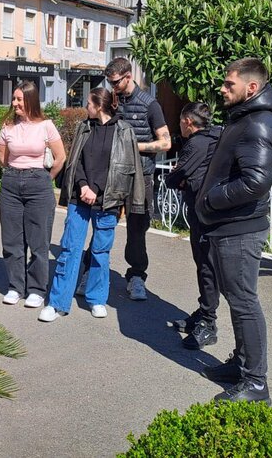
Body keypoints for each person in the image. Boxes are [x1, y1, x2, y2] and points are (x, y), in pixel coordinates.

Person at [196, 58, 272, 405]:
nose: (222, 88)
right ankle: (242, 364)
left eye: (229, 84)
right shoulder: (245, 118)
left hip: (240, 229)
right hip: (229, 225)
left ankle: (256, 383)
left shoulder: (258, 123)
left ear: (251, 87)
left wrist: (212, 199)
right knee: (237, 299)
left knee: (244, 302)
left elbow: (256, 182)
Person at [39, 88, 145, 322]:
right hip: (80, 197)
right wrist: (84, 185)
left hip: (108, 200)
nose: (86, 107)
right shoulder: (84, 127)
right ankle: (57, 302)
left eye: (88, 103)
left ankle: (96, 299)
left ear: (99, 105)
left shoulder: (124, 131)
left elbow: (127, 168)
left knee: (100, 252)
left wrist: (99, 190)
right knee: (70, 249)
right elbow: (75, 161)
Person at [79, 57, 170, 300]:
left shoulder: (150, 105)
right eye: (109, 82)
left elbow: (166, 142)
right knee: (101, 224)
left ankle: (136, 277)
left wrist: (132, 145)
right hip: (111, 177)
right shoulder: (112, 101)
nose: (112, 87)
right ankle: (89, 272)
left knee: (137, 230)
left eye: (116, 82)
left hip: (141, 177)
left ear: (128, 76)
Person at [0, 81, 66, 308]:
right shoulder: (7, 127)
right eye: (14, 99)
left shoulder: (46, 125)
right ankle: (15, 286)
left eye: (20, 99)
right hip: (11, 184)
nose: (15, 103)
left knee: (39, 241)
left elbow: (60, 157)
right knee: (12, 240)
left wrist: (46, 178)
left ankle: (36, 289)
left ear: (31, 101)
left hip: (39, 184)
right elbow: (3, 159)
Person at [164, 103, 223, 349]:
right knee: (205, 265)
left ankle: (208, 323)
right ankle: (204, 312)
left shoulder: (197, 143)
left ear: (188, 121)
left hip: (204, 212)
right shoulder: (217, 137)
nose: (179, 125)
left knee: (206, 266)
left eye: (180, 121)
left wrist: (178, 178)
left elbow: (176, 176)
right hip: (208, 209)